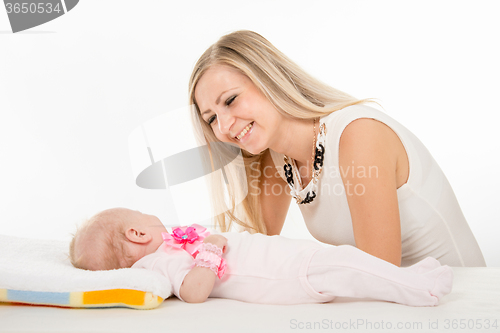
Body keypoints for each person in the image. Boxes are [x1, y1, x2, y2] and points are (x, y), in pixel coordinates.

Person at [188, 30, 486, 267]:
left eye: (230, 100)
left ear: (268, 80)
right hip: (392, 306)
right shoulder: (276, 158)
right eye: (211, 119)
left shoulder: (358, 135)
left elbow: (380, 276)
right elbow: (253, 255)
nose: (224, 127)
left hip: (455, 303)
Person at [70, 207, 453, 306]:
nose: (153, 218)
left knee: (346, 261)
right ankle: (419, 291)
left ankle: (408, 275)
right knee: (344, 265)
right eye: (142, 216)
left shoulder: (165, 249)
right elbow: (194, 292)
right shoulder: (157, 263)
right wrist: (211, 249)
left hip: (282, 257)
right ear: (136, 234)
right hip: (281, 274)